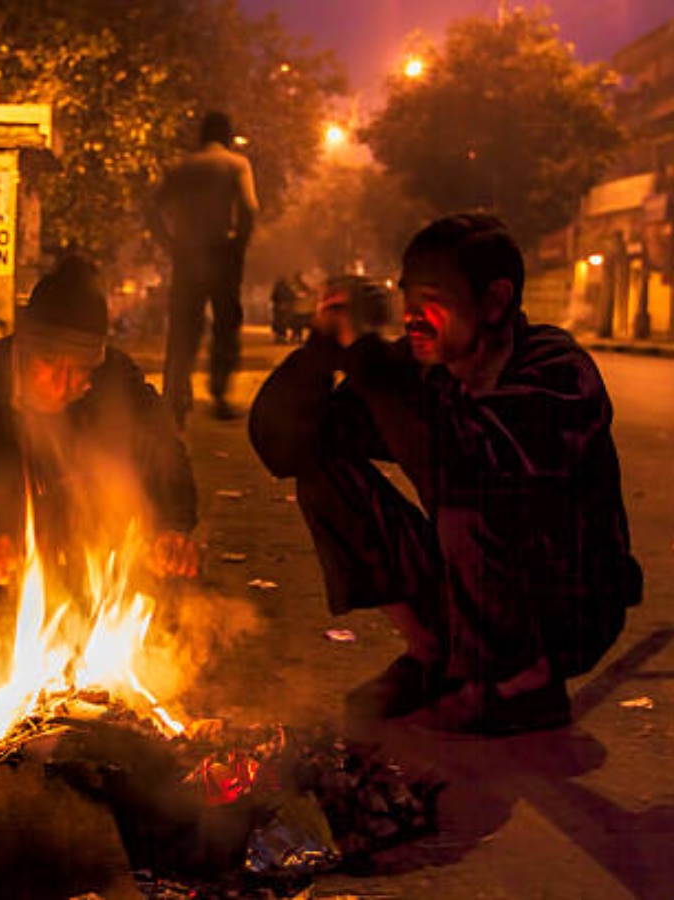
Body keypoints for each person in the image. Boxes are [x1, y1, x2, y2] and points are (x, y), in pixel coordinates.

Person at [248, 214, 641, 736]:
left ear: (495, 302)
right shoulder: (422, 369)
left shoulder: (558, 372)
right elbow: (287, 445)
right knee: (322, 469)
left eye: (433, 299)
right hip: (470, 588)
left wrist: (368, 361)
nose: (413, 317)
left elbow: (461, 462)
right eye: (408, 298)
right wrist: (325, 347)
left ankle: (520, 684)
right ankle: (435, 656)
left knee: (469, 486)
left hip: (565, 608)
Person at [0, 256, 199, 635]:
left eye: (80, 369)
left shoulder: (117, 378)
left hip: (73, 532)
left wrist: (172, 526)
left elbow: (164, 450)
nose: (65, 382)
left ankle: (85, 623)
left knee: (150, 557)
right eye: (50, 364)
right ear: (23, 346)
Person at [151, 111, 259, 426]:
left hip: (186, 254)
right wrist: (240, 243)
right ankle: (219, 392)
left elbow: (152, 209)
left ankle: (175, 395)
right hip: (222, 253)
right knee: (225, 324)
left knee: (184, 326)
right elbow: (249, 209)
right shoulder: (236, 165)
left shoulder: (180, 167)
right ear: (226, 135)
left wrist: (169, 243)